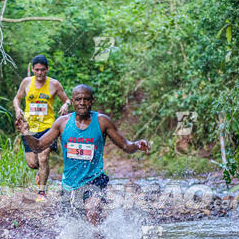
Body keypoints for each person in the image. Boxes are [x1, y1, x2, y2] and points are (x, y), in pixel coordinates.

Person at [16, 84, 150, 225]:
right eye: (78, 99)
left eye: (86, 99)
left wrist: (136, 144)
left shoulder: (102, 121)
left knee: (93, 213)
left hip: (95, 179)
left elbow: (125, 146)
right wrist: (26, 133)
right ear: (72, 101)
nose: (82, 103)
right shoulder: (62, 123)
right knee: (74, 226)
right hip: (70, 183)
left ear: (92, 101)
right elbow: (38, 146)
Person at [13, 54, 70, 201]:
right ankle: (41, 174)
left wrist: (66, 105)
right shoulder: (26, 82)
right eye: (37, 70)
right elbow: (17, 98)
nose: (40, 73)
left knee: (43, 157)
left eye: (43, 70)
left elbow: (67, 99)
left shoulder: (54, 84)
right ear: (32, 69)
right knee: (33, 163)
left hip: (48, 127)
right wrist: (17, 109)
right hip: (29, 127)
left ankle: (42, 193)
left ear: (47, 69)